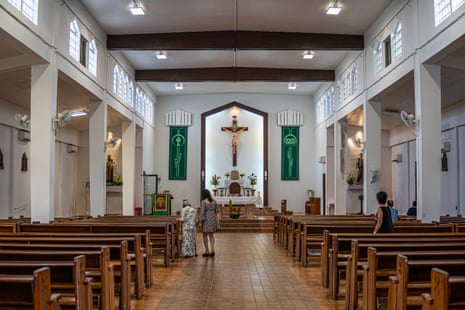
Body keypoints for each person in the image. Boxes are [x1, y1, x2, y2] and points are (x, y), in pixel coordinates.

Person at [199, 189, 219, 257]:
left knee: (205, 235)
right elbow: (217, 211)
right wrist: (217, 219)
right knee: (211, 235)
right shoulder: (214, 201)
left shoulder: (203, 202)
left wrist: (200, 222)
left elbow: (202, 212)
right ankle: (212, 250)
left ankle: (207, 250)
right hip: (213, 218)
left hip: (206, 219)